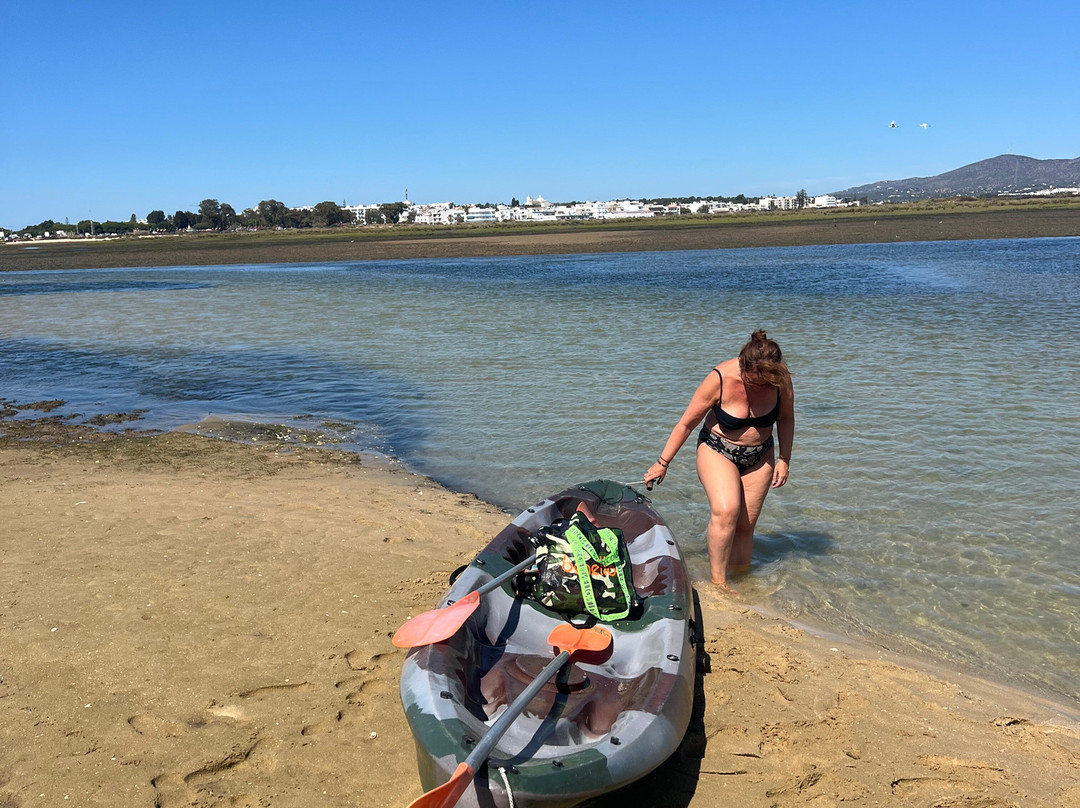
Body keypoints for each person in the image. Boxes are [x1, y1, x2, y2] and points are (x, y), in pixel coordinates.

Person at [643, 330, 794, 594]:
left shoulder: (778, 378)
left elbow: (786, 418)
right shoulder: (720, 378)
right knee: (726, 512)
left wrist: (784, 459)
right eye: (755, 380)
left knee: (745, 526)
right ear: (744, 366)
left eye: (766, 381)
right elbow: (686, 423)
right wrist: (662, 462)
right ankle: (719, 584)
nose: (761, 386)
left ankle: (742, 582)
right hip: (717, 449)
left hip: (760, 455)